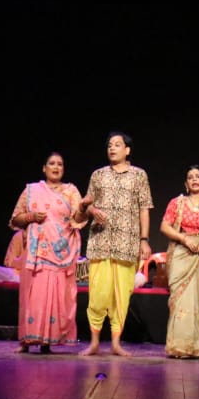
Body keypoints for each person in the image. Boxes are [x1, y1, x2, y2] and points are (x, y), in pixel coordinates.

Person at [80, 131, 153, 356]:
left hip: (127, 244)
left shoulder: (139, 175)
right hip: (100, 242)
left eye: (117, 145)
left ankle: (115, 343)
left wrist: (144, 240)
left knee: (121, 296)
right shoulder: (98, 175)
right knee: (98, 294)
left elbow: (144, 208)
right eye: (110, 145)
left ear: (127, 150)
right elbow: (86, 204)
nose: (112, 148)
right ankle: (94, 343)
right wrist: (92, 210)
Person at [8, 151, 83, 352]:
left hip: (61, 253)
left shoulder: (71, 191)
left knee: (56, 296)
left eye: (60, 164)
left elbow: (78, 218)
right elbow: (15, 219)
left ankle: (47, 342)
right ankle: (26, 341)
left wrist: (85, 207)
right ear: (44, 168)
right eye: (52, 163)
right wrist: (31, 216)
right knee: (34, 296)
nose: (56, 167)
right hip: (37, 255)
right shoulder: (31, 190)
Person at [159, 165, 199, 359]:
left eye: (198, 176)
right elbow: (164, 226)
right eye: (190, 177)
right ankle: (177, 346)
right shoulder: (177, 203)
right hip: (181, 254)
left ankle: (193, 346)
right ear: (186, 184)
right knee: (180, 299)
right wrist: (184, 239)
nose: (194, 179)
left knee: (197, 301)